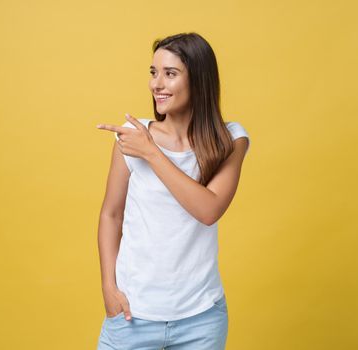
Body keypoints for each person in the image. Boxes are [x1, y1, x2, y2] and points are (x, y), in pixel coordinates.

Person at [95, 32, 250, 350]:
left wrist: (152, 153)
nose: (157, 84)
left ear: (199, 81)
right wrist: (109, 287)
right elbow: (111, 214)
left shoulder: (230, 140)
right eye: (153, 73)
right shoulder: (132, 138)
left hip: (202, 320)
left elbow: (208, 210)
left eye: (170, 74)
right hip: (131, 317)